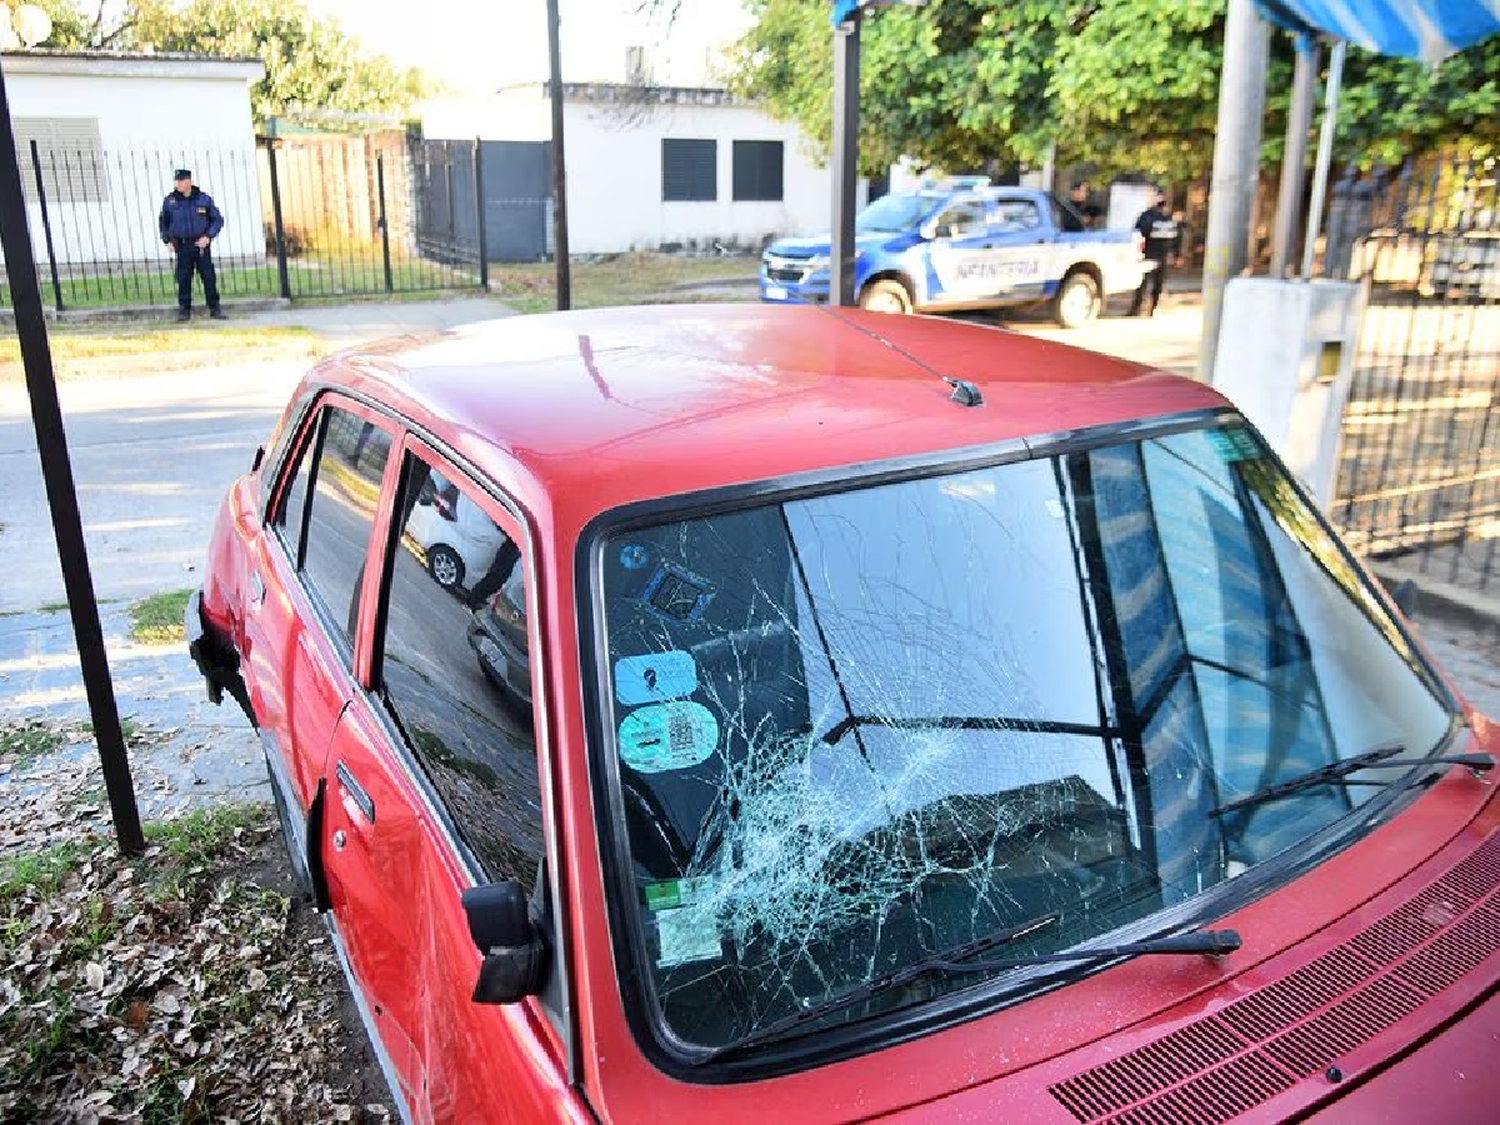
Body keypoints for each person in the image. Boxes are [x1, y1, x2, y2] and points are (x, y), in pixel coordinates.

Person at [159, 168, 225, 321]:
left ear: (189, 181)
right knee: (183, 278)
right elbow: (164, 223)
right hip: (182, 245)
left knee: (208, 277)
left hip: (201, 245)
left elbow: (217, 220)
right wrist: (167, 240)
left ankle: (215, 308)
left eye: (181, 181)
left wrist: (208, 236)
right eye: (177, 181)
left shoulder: (203, 199)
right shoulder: (170, 201)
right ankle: (184, 310)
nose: (178, 184)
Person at [1128, 187, 1182, 317]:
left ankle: (1152, 309)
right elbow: (1138, 232)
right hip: (1148, 254)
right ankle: (1136, 309)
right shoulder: (1146, 215)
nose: (1150, 199)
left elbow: (1176, 236)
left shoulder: (1168, 217)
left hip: (1162, 254)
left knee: (1158, 283)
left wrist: (1176, 254)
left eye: (1153, 196)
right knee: (1142, 283)